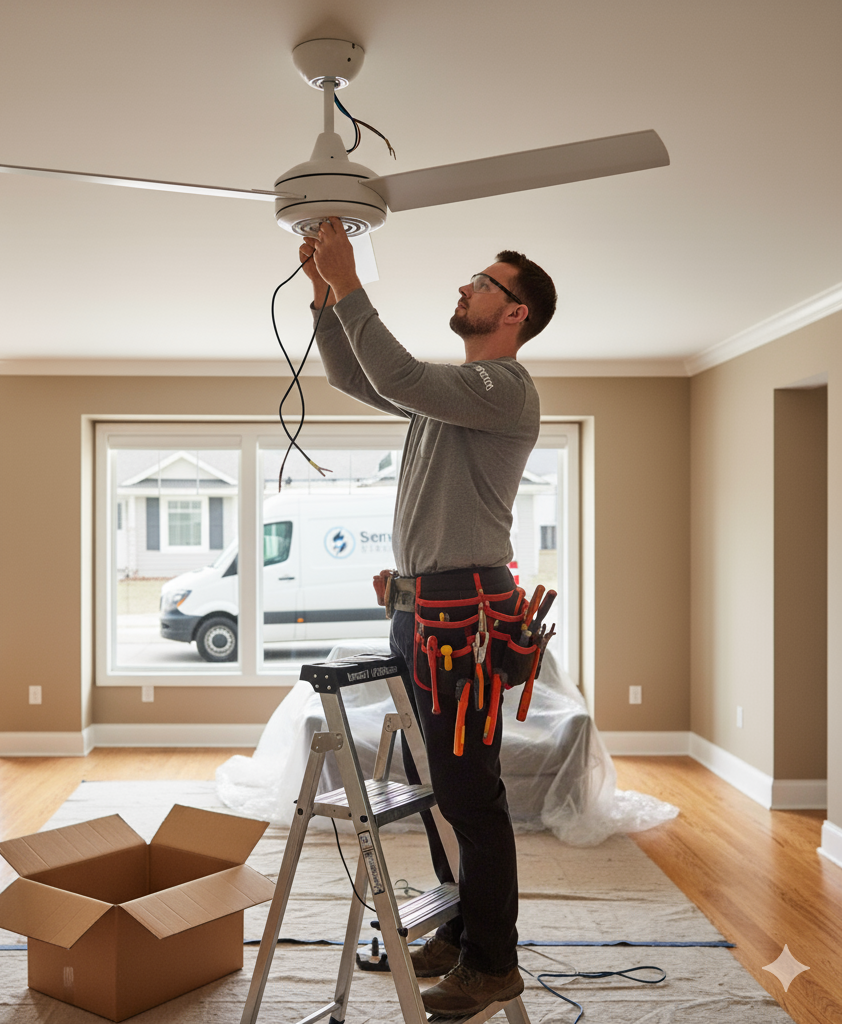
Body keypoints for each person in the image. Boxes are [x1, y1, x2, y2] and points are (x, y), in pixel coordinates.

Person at [300, 217, 556, 1018]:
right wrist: (322, 298)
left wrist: (349, 282)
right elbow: (359, 377)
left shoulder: (502, 390)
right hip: (421, 614)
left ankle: (494, 961)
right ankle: (460, 925)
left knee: (470, 795)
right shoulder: (449, 401)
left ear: (514, 313)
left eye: (482, 282)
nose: (465, 288)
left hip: (463, 622)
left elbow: (400, 374)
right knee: (432, 783)